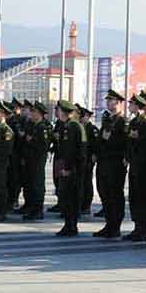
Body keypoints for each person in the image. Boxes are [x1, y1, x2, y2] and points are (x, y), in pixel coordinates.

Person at [91, 89, 130, 238]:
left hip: (115, 162)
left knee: (115, 194)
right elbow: (101, 139)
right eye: (107, 100)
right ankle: (108, 224)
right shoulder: (107, 119)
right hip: (103, 161)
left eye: (111, 100)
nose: (108, 103)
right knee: (104, 192)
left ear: (118, 102)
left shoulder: (123, 121)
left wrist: (109, 139)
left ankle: (115, 226)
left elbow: (125, 143)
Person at [125, 91, 146, 241]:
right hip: (135, 164)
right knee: (135, 196)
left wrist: (138, 137)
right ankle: (137, 226)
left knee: (144, 196)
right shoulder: (134, 122)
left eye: (131, 104)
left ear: (137, 106)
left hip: (145, 165)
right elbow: (129, 142)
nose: (129, 106)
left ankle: (145, 228)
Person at [53, 100, 88, 237]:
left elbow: (72, 151)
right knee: (68, 197)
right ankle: (70, 225)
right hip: (74, 167)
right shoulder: (72, 125)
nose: (57, 113)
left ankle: (71, 226)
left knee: (70, 197)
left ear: (63, 112)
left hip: (72, 169)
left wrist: (68, 168)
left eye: (59, 110)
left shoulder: (71, 127)